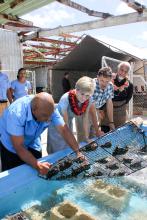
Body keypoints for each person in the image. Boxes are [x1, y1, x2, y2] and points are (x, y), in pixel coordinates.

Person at [0, 92, 84, 175]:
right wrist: (38, 165)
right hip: (11, 145)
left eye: (50, 115)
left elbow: (64, 130)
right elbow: (19, 146)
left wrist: (78, 152)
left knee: (36, 171)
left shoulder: (49, 110)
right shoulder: (17, 113)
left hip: (32, 141)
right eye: (45, 116)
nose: (48, 119)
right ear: (34, 110)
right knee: (15, 174)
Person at [47, 76, 103, 154]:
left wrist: (86, 137)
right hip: (57, 124)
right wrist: (73, 142)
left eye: (87, 95)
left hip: (68, 123)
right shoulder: (65, 98)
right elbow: (64, 125)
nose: (84, 98)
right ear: (76, 90)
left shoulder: (89, 99)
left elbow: (85, 118)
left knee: (68, 150)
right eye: (82, 94)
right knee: (58, 150)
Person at [92, 67, 115, 133]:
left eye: (107, 81)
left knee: (94, 134)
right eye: (102, 80)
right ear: (97, 77)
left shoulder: (110, 86)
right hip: (84, 111)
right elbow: (89, 103)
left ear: (110, 79)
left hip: (96, 110)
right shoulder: (91, 85)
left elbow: (109, 103)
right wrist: (97, 112)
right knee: (84, 136)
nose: (104, 84)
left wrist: (111, 122)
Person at [112, 62, 133, 127]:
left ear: (127, 73)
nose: (123, 73)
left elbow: (129, 97)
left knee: (119, 129)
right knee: (105, 130)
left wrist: (122, 104)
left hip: (121, 109)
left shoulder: (129, 84)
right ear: (118, 69)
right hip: (108, 108)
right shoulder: (110, 79)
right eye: (121, 70)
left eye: (125, 71)